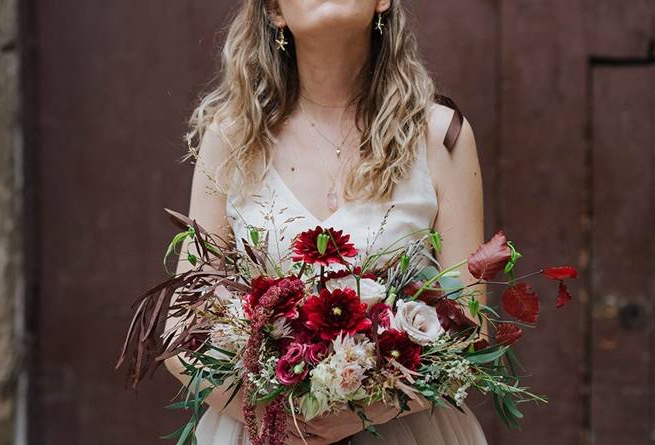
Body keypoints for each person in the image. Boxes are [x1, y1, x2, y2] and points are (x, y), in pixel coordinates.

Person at [165, 1, 488, 444]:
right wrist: (275, 414)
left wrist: (368, 412)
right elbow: (181, 333)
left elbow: (472, 326)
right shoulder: (233, 136)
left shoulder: (440, 135)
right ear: (276, 12)